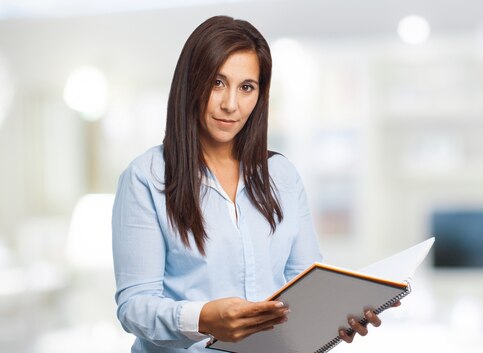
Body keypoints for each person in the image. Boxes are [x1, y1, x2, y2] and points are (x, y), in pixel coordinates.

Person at [112, 15, 396, 353]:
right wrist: (203, 318)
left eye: (247, 87)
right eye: (217, 83)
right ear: (191, 83)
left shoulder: (282, 175)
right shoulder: (146, 177)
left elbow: (304, 286)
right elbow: (134, 307)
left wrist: (335, 317)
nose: (231, 104)